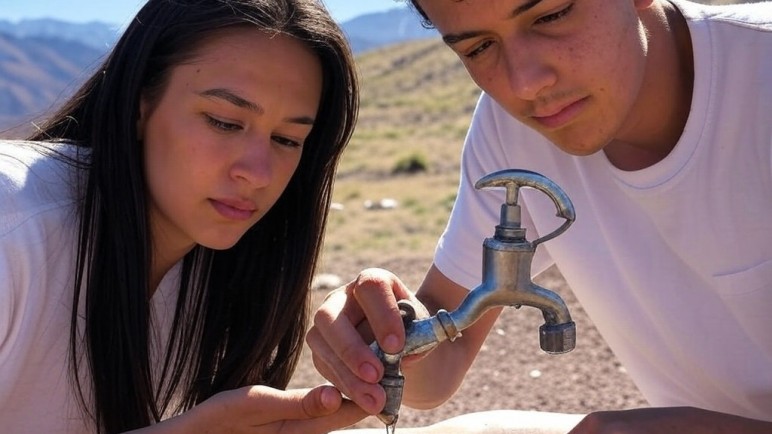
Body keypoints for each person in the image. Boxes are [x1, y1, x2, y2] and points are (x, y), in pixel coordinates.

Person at [307, 0, 772, 432]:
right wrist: (386, 330)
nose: (526, 84)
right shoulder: (512, 130)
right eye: (479, 47)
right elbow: (439, 369)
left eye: (550, 16)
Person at [0, 0, 366, 433]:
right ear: (140, 102)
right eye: (224, 122)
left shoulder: (224, 270)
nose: (258, 173)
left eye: (287, 139)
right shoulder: (12, 221)